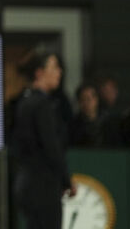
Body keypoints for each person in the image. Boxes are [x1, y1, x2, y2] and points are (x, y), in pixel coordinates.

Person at [11, 51, 75, 229]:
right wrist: (66, 180)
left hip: (26, 184)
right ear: (39, 73)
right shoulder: (42, 104)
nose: (59, 72)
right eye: (54, 67)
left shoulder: (23, 102)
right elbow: (51, 146)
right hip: (43, 187)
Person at [69, 83, 104, 148]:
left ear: (96, 100)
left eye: (89, 99)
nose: (86, 103)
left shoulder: (106, 123)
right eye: (82, 99)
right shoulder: (73, 126)